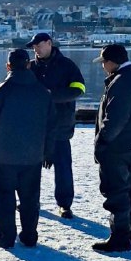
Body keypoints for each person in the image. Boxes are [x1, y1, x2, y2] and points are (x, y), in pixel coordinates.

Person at [0, 49, 56, 249]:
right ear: (28, 65)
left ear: (8, 66)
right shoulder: (42, 92)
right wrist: (48, 151)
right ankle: (29, 236)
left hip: (4, 155)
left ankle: (6, 237)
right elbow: (52, 125)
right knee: (30, 198)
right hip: (33, 156)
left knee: (4, 197)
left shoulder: (1, 90)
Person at [92, 44, 131, 253]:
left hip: (117, 147)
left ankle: (120, 238)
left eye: (103, 63)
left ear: (111, 62)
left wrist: (102, 142)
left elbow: (114, 119)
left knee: (116, 191)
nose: (102, 67)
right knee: (129, 187)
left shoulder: (121, 82)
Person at [27, 32, 85, 219]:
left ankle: (65, 204)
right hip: (35, 127)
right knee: (30, 167)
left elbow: (79, 89)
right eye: (34, 46)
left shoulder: (67, 65)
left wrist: (52, 96)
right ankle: (30, 200)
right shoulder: (30, 67)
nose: (36, 49)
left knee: (62, 167)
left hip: (61, 124)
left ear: (49, 43)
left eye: (39, 45)